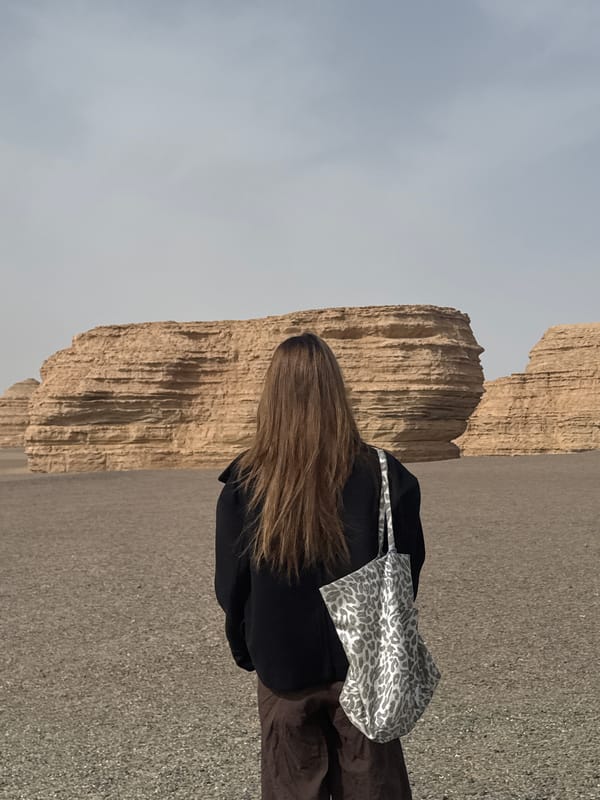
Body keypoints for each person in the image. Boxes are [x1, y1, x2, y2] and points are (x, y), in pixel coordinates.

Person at [214, 332, 426, 800]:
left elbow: (232, 586)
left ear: (273, 396)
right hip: (366, 662)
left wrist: (248, 649)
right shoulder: (384, 474)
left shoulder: (246, 483)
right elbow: (407, 569)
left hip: (282, 664)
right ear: (336, 390)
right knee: (374, 786)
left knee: (292, 785)